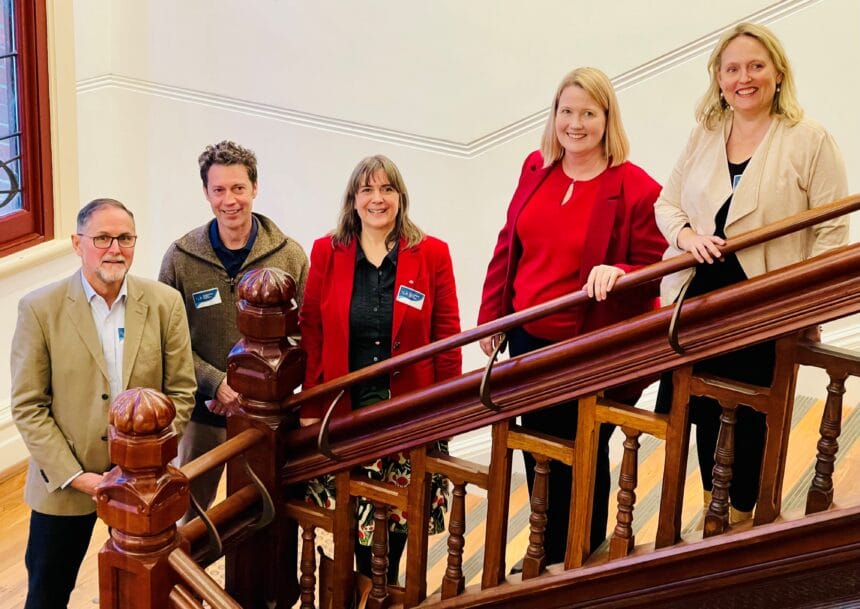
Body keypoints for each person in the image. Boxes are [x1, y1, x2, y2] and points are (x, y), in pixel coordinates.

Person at [653, 22, 848, 524]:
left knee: (752, 418)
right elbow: (667, 204)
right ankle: (713, 514)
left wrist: (810, 306)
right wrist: (688, 237)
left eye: (756, 66)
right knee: (699, 417)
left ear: (778, 73)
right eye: (733, 68)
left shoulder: (810, 139)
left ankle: (743, 519)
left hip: (765, 306)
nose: (745, 78)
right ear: (718, 79)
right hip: (698, 302)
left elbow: (831, 232)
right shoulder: (705, 134)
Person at [477, 67, 666, 564]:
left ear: (607, 118)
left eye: (588, 113)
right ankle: (544, 546)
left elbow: (656, 267)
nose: (575, 124)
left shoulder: (635, 187)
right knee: (534, 446)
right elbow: (508, 243)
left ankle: (580, 548)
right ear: (554, 115)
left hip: (585, 343)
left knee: (582, 449)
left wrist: (618, 270)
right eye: (567, 111)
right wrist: (492, 318)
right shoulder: (535, 167)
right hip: (524, 336)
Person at [10, 198, 197, 609]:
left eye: (125, 238)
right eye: (103, 238)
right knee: (47, 593)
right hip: (65, 485)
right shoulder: (40, 309)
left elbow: (181, 392)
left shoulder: (165, 303)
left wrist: (144, 463)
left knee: (148, 592)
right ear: (78, 244)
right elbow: (28, 406)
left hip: (142, 483)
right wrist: (78, 477)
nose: (115, 248)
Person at [299, 154, 462, 584]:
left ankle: (384, 593)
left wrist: (448, 409)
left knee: (399, 522)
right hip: (347, 414)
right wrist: (313, 405)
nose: (377, 198)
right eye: (367, 189)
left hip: (409, 414)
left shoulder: (431, 254)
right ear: (353, 199)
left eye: (387, 189)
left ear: (400, 197)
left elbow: (447, 338)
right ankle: (369, 592)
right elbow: (312, 330)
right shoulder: (326, 252)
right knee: (354, 526)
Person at [159, 140, 309, 519]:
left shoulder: (290, 255)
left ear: (255, 188)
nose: (230, 200)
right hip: (203, 413)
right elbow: (165, 340)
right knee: (190, 517)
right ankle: (190, 581)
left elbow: (305, 333)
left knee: (265, 512)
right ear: (206, 194)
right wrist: (216, 384)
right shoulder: (180, 257)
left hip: (267, 415)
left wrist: (253, 386)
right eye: (219, 189)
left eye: (239, 188)